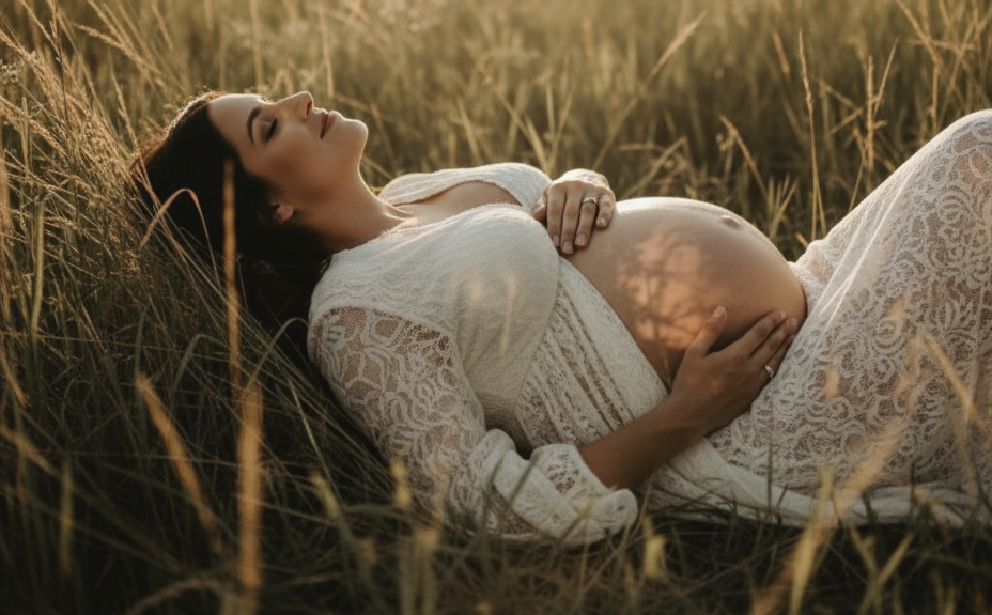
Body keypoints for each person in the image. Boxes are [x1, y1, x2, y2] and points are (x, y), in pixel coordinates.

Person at [132, 91, 992, 543]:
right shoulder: (354, 317)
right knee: (974, 153)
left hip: (812, 294)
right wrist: (682, 416)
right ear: (271, 208)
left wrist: (580, 181)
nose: (302, 95)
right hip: (765, 417)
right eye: (269, 122)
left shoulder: (412, 196)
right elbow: (476, 502)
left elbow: (553, 221)